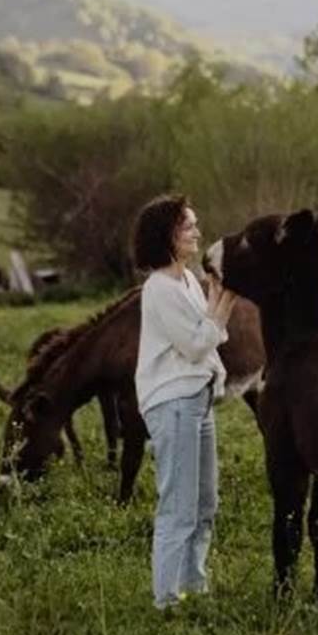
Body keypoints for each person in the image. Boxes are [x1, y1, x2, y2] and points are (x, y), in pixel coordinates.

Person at [131, 193, 237, 611]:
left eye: (194, 223)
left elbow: (212, 334)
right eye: (187, 225)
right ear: (167, 236)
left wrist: (218, 299)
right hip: (173, 402)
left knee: (205, 502)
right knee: (178, 506)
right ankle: (167, 600)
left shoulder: (188, 279)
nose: (196, 230)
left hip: (199, 398)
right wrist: (227, 298)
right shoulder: (159, 289)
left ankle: (194, 584)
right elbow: (197, 344)